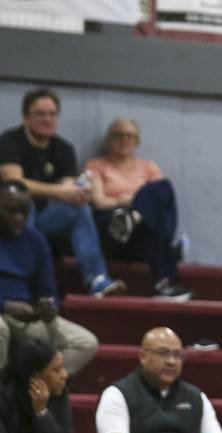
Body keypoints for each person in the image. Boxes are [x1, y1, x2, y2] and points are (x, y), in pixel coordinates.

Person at [0, 88, 125, 297]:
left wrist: (79, 193)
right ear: (26, 118)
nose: (47, 119)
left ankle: (97, 279)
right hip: (8, 219)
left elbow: (67, 188)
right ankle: (23, 279)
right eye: (41, 114)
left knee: (79, 209)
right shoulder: (10, 141)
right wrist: (59, 191)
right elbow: (14, 183)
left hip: (46, 219)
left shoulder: (63, 149)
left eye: (52, 114)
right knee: (24, 204)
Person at [85, 118, 191, 300]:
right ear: (109, 139)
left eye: (130, 136)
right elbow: (98, 202)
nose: (124, 140)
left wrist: (134, 208)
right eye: (119, 135)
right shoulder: (96, 165)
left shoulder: (147, 167)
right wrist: (123, 201)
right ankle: (165, 279)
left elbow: (162, 198)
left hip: (140, 235)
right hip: (112, 231)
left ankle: (133, 218)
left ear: (137, 141)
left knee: (163, 188)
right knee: (151, 213)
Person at [0, 180, 98, 375]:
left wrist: (46, 308)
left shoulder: (36, 240)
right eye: (12, 211)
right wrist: (5, 305)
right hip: (3, 311)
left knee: (85, 343)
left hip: (26, 316)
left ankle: (31, 387)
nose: (19, 218)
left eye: (24, 212)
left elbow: (47, 290)